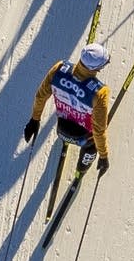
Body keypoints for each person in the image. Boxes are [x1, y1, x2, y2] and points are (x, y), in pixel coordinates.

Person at [23, 42, 113, 175]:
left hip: (61, 130)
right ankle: (81, 169)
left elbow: (40, 96)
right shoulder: (100, 93)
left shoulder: (59, 68)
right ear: (96, 69)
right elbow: (98, 130)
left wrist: (34, 120)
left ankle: (66, 141)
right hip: (82, 137)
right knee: (92, 145)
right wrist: (104, 156)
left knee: (69, 131)